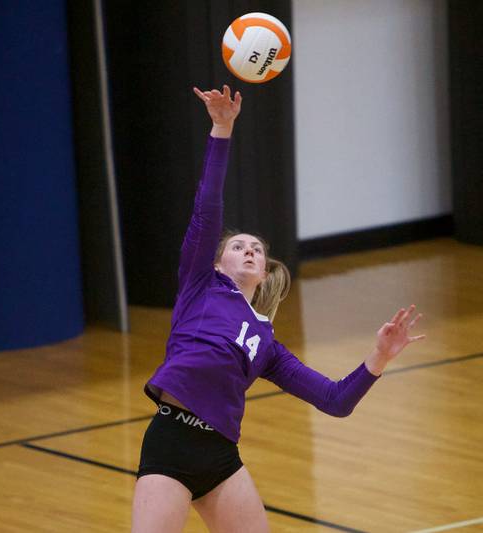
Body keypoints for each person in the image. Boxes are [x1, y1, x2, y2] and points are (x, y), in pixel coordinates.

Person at [131, 85, 425, 533]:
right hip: (172, 440)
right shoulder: (200, 285)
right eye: (237, 246)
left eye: (256, 249)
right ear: (216, 260)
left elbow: (335, 400)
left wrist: (380, 357)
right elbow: (207, 207)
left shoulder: (266, 345)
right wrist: (221, 128)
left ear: (265, 272)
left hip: (219, 457)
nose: (249, 251)